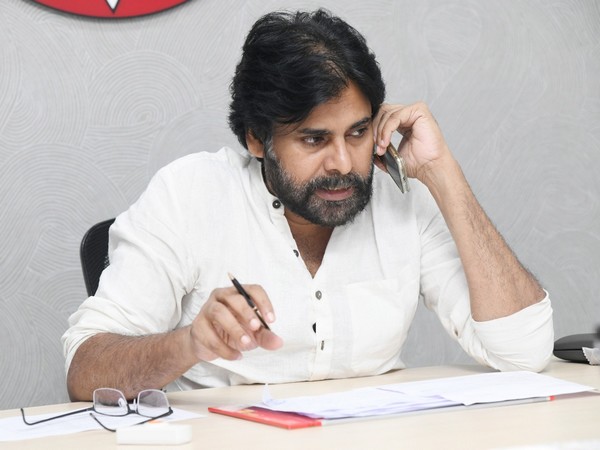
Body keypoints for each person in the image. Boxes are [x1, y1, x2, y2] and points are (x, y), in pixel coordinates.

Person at [63, 9, 553, 401]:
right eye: (314, 139)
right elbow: (85, 370)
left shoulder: (402, 197)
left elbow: (525, 353)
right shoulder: (190, 194)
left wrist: (443, 173)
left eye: (358, 132)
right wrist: (189, 342)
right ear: (257, 138)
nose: (343, 163)